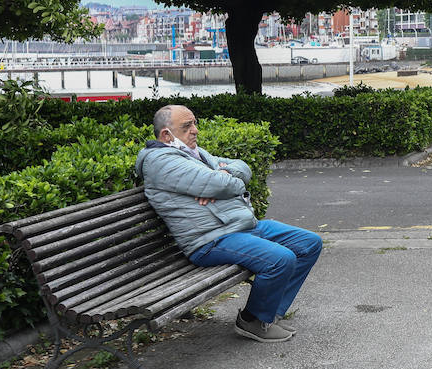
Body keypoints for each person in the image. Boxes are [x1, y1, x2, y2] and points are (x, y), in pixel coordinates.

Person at [135, 105, 323, 343]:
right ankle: (252, 320)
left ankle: (270, 315)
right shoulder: (160, 162)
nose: (195, 130)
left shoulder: (194, 153)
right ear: (166, 134)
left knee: (309, 243)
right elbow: (224, 185)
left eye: (194, 123)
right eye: (187, 126)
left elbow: (243, 167)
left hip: (238, 226)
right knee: (280, 258)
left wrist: (223, 176)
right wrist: (221, 180)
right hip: (210, 239)